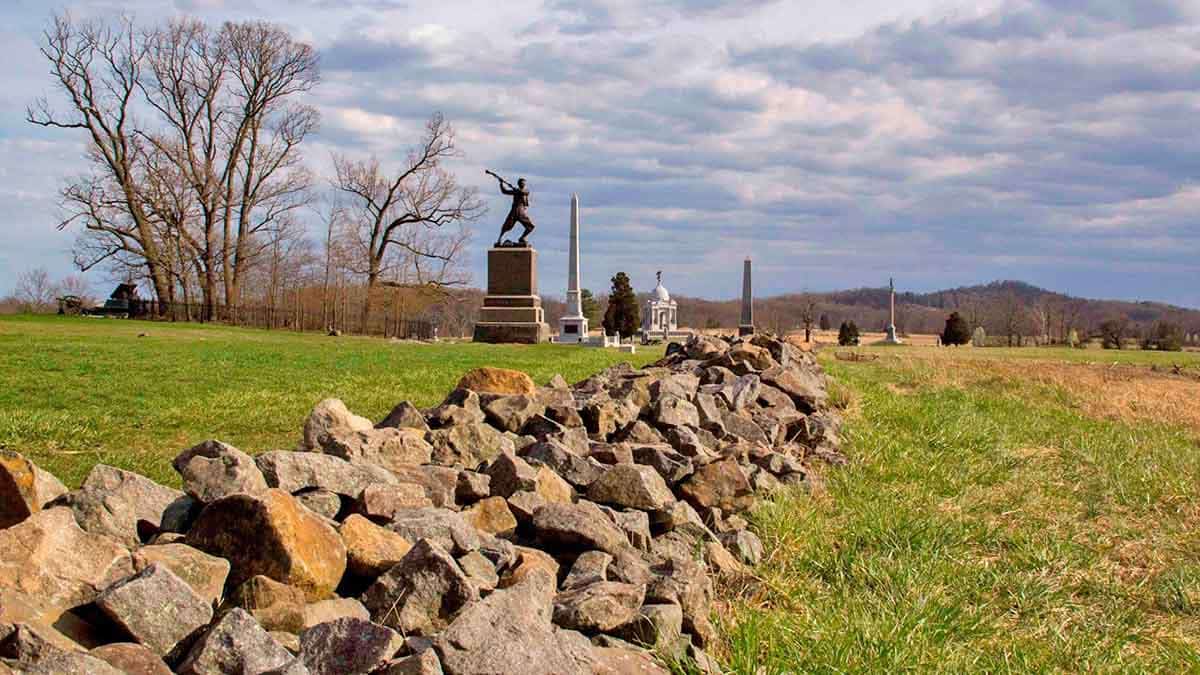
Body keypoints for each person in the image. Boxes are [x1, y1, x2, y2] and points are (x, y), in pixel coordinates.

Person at [493, 174, 535, 246]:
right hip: (514, 211)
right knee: (506, 226)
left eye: (524, 183)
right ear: (519, 184)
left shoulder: (525, 191)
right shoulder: (516, 191)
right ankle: (499, 240)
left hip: (521, 211)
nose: (523, 184)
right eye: (522, 183)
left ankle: (522, 238)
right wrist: (501, 184)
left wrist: (516, 190)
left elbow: (523, 192)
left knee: (531, 226)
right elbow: (504, 191)